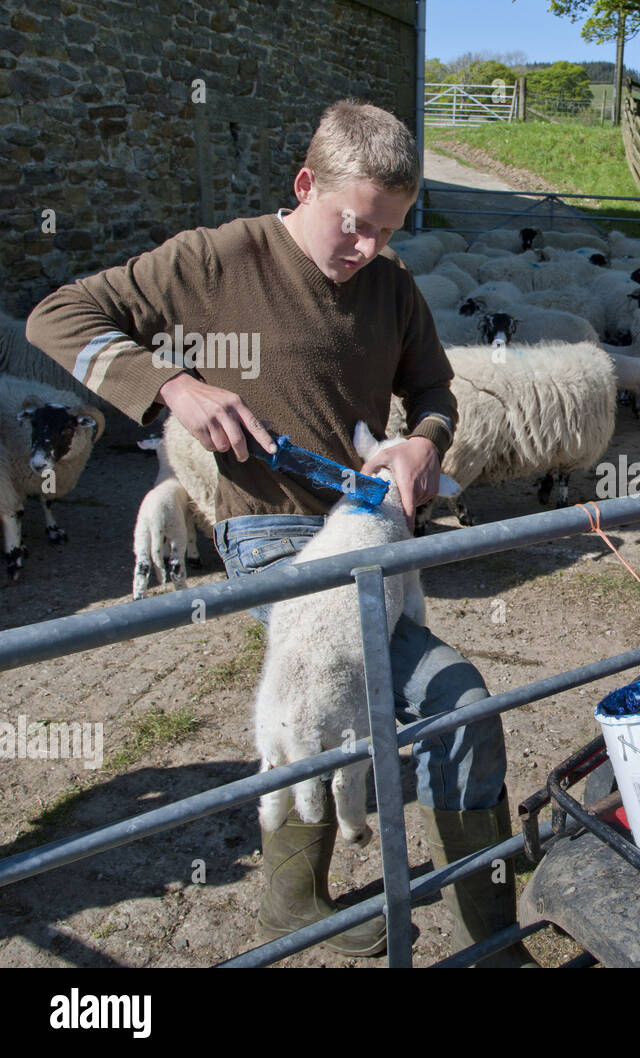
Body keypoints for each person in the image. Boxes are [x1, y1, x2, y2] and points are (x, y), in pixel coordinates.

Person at [27, 99, 531, 965]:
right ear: (306, 185)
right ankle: (471, 936)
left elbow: (438, 392)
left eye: (388, 231)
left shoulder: (393, 285)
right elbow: (56, 316)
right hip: (270, 536)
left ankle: (337, 908)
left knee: (346, 709)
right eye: (355, 225)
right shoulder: (214, 261)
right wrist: (170, 386)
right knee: (452, 702)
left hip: (370, 537)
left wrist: (421, 442)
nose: (368, 248)